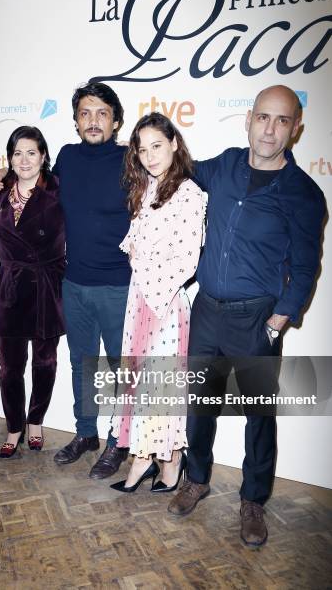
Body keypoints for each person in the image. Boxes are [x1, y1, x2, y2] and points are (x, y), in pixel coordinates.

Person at [167, 85, 326, 548]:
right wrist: (146, 144)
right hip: (206, 311)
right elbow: (175, 169)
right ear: (248, 120)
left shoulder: (304, 194)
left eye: (281, 121)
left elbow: (304, 266)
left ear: (296, 128)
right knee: (200, 403)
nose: (270, 129)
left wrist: (280, 318)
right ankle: (195, 479)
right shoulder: (224, 165)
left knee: (258, 413)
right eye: (263, 118)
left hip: (255, 319)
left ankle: (253, 500)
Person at [0, 82, 131, 479]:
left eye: (102, 112)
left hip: (119, 285)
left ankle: (119, 442)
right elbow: (29, 180)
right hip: (73, 283)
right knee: (81, 364)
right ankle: (86, 434)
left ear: (116, 120)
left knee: (121, 369)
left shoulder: (131, 158)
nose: (93, 120)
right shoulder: (66, 158)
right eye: (85, 113)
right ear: (75, 121)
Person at [108, 113, 206, 492]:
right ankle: (157, 463)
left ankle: (157, 463)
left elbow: (186, 261)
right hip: (140, 300)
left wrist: (146, 268)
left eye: (157, 146)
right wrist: (140, 257)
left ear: (174, 144)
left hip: (164, 302)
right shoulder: (146, 189)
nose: (149, 156)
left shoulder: (189, 193)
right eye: (142, 149)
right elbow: (132, 242)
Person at [0, 126, 65, 458]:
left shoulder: (58, 193)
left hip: (46, 288)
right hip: (9, 289)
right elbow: (2, 243)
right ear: (10, 158)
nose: (24, 159)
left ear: (43, 156)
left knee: (45, 362)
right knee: (9, 366)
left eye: (31, 152)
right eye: (17, 153)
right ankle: (14, 426)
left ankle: (35, 421)